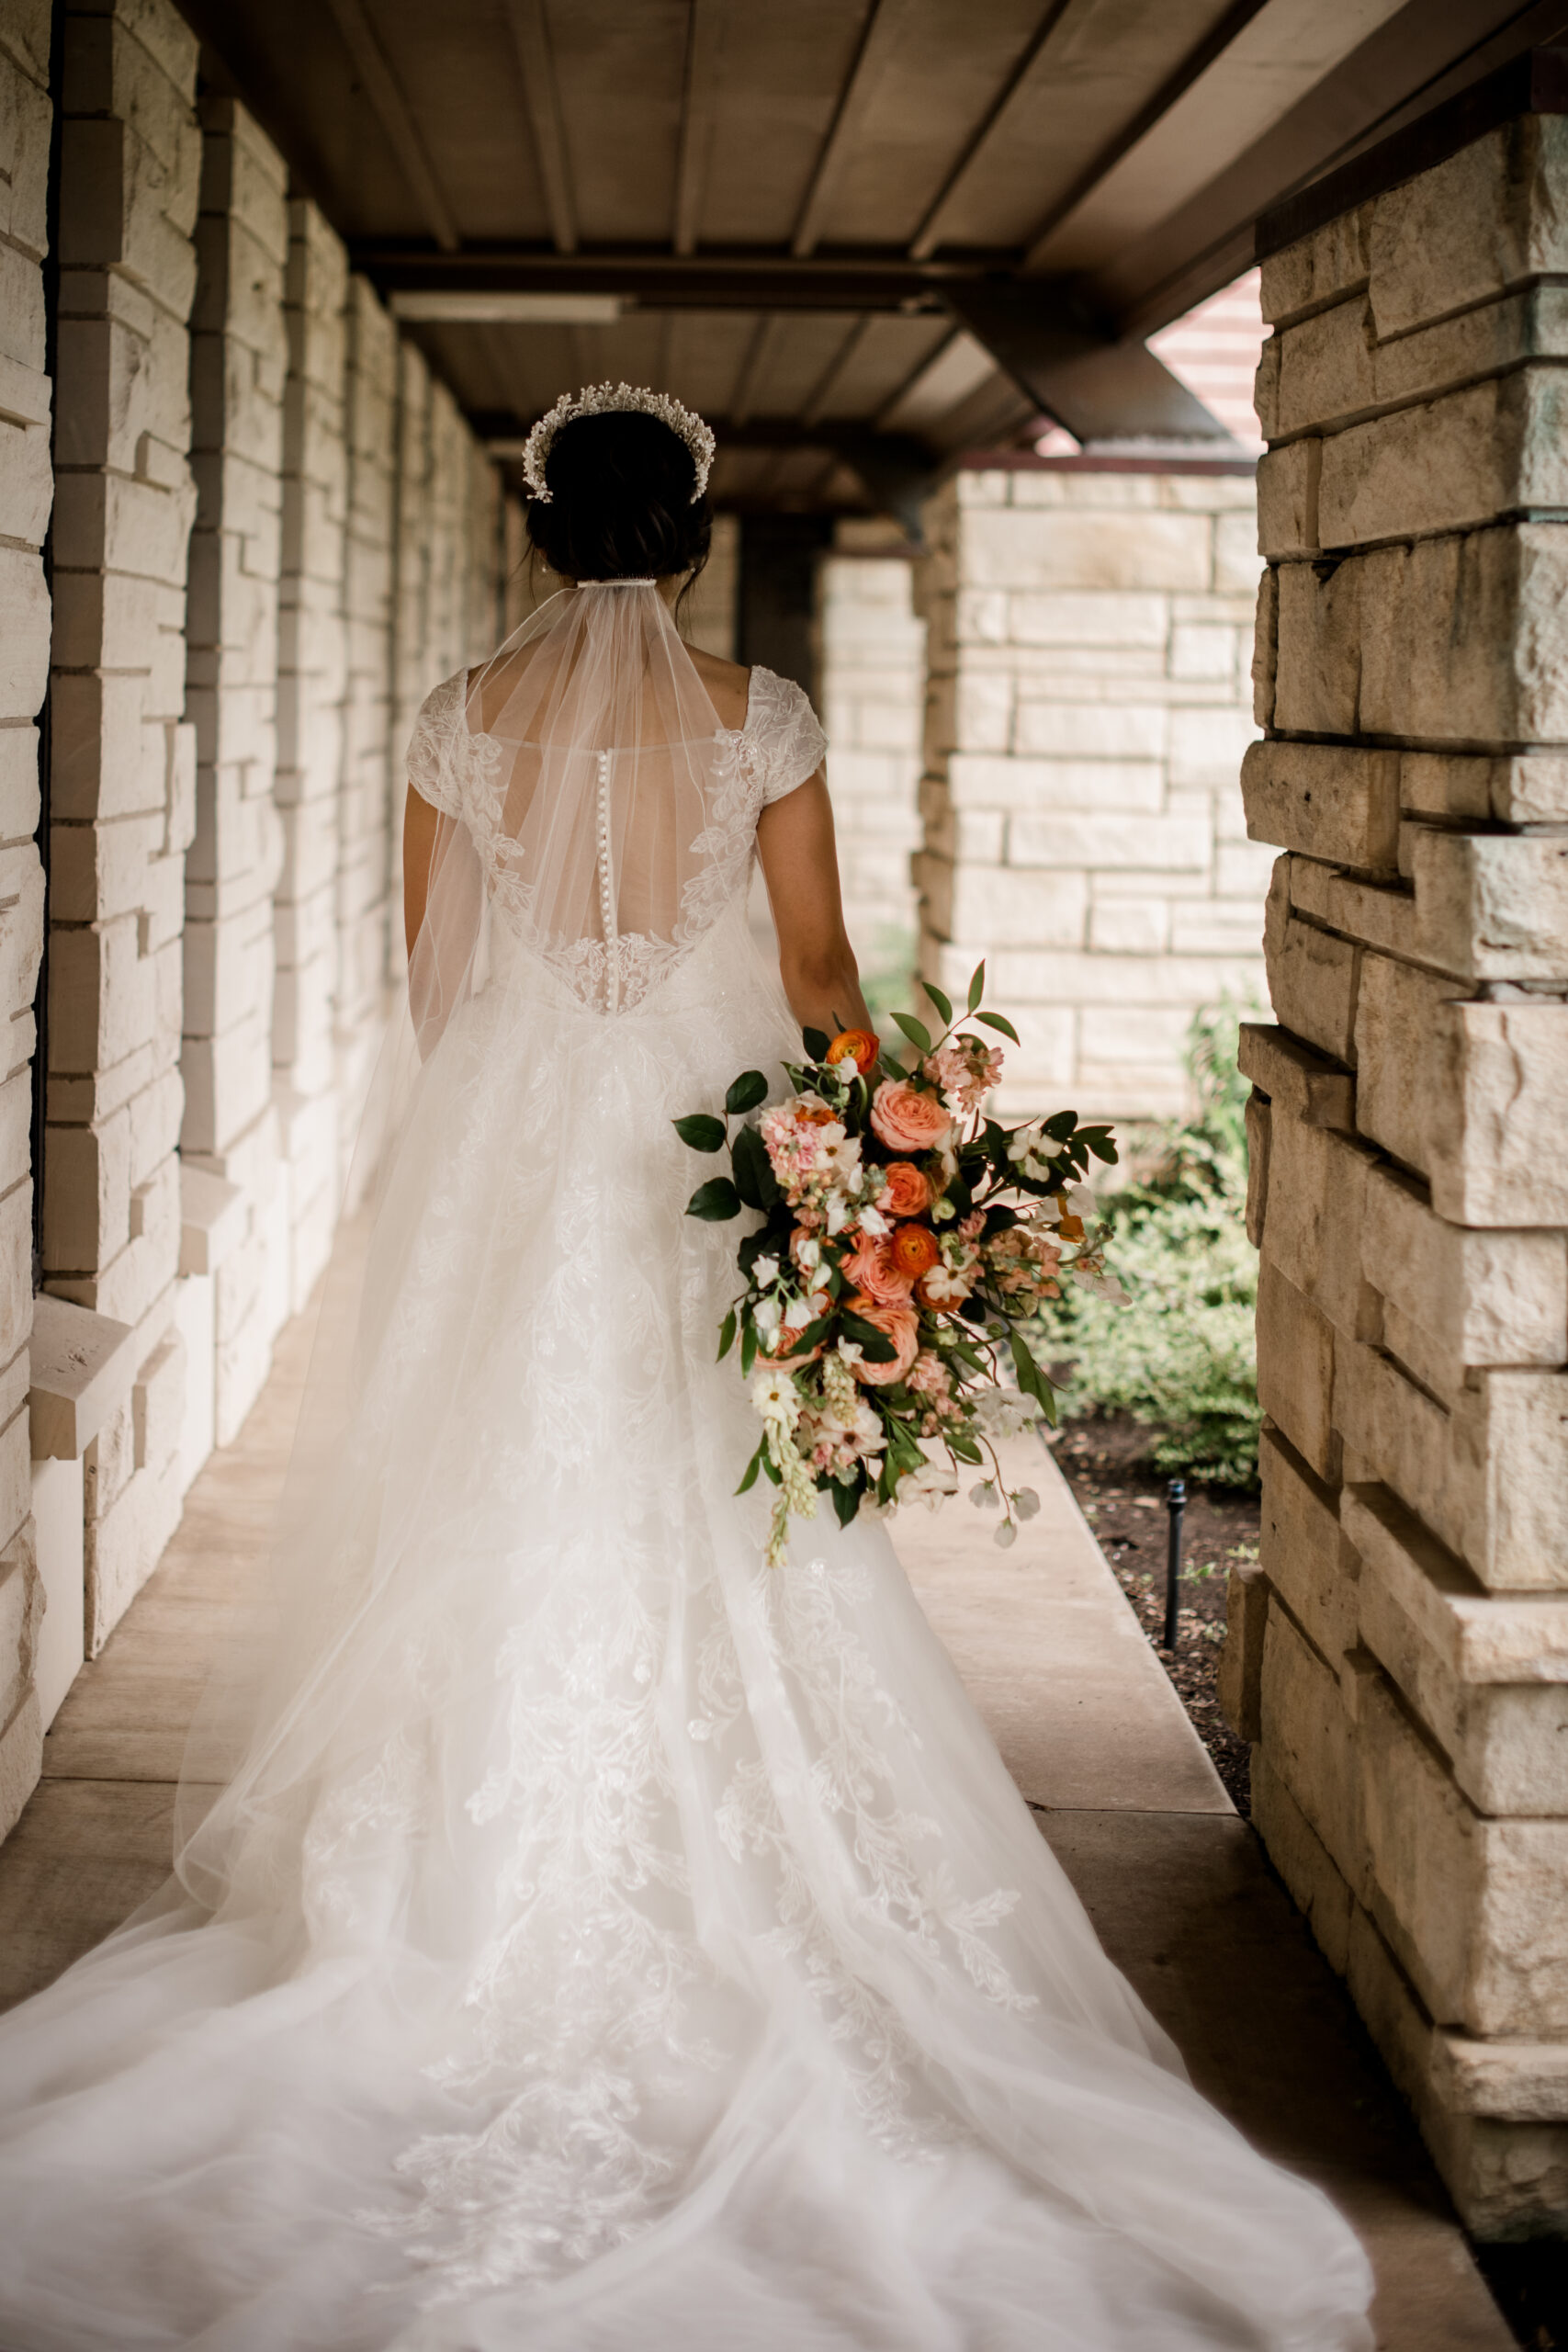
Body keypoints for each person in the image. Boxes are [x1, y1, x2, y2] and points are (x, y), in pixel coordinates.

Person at [0, 386, 1374, 2350]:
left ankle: (454, 1867)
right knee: (726, 1480)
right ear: (695, 541)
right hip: (711, 1145)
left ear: (541, 535)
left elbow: (437, 983)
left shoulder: (454, 721)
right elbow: (819, 982)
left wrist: (530, 1080)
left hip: (514, 1143)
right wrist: (879, 1177)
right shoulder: (768, 720)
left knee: (487, 1478)